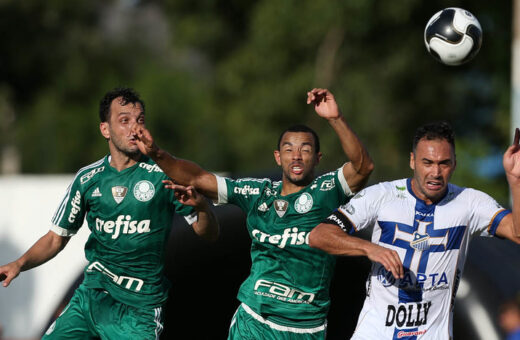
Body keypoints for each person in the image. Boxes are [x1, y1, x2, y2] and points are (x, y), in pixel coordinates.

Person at [132, 88, 374, 339]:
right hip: (254, 321)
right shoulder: (256, 192)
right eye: (289, 149)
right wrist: (157, 153)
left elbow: (363, 166)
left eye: (305, 149)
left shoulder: (328, 190)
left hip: (306, 327)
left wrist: (335, 118)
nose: (297, 156)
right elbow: (197, 177)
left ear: (318, 158)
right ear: (278, 157)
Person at [0, 88, 219, 339]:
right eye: (124, 121)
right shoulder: (88, 179)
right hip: (92, 300)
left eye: (140, 120)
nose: (134, 128)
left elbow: (209, 233)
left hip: (139, 310)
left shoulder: (164, 174)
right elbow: (55, 239)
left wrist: (202, 207)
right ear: (105, 129)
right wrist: (19, 264)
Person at [309, 121, 520, 339]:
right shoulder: (382, 195)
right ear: (412, 161)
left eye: (444, 163)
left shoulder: (469, 202)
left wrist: (516, 180)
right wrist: (370, 248)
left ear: (455, 164)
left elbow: (517, 233)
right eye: (427, 162)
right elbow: (319, 236)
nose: (436, 172)